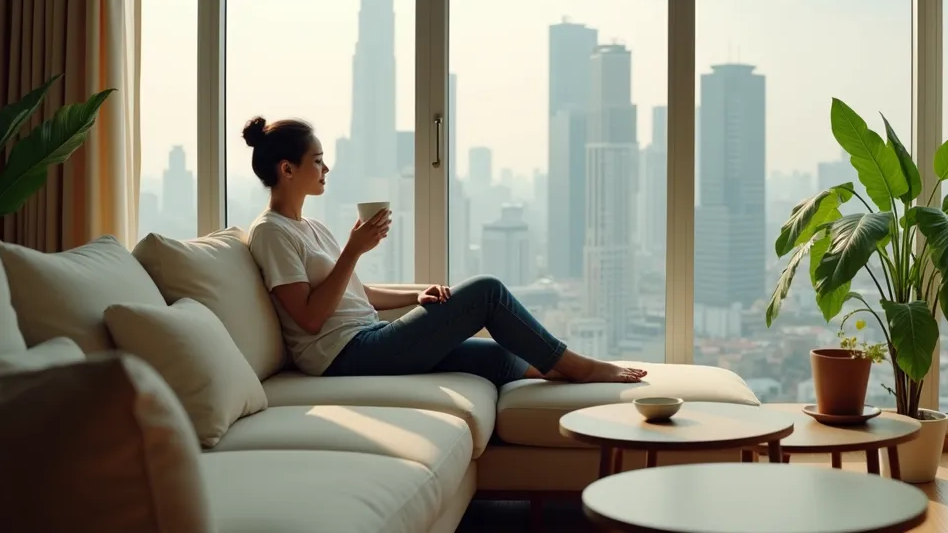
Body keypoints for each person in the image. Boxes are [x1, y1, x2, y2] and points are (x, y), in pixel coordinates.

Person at [241, 116, 647, 387]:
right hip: (343, 356)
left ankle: (562, 372)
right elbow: (310, 319)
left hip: (370, 336)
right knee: (487, 291)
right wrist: (353, 250)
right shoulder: (271, 232)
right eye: (317, 161)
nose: (326, 169)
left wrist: (415, 296)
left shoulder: (311, 226)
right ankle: (582, 367)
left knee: (499, 357)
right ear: (287, 169)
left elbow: (356, 294)